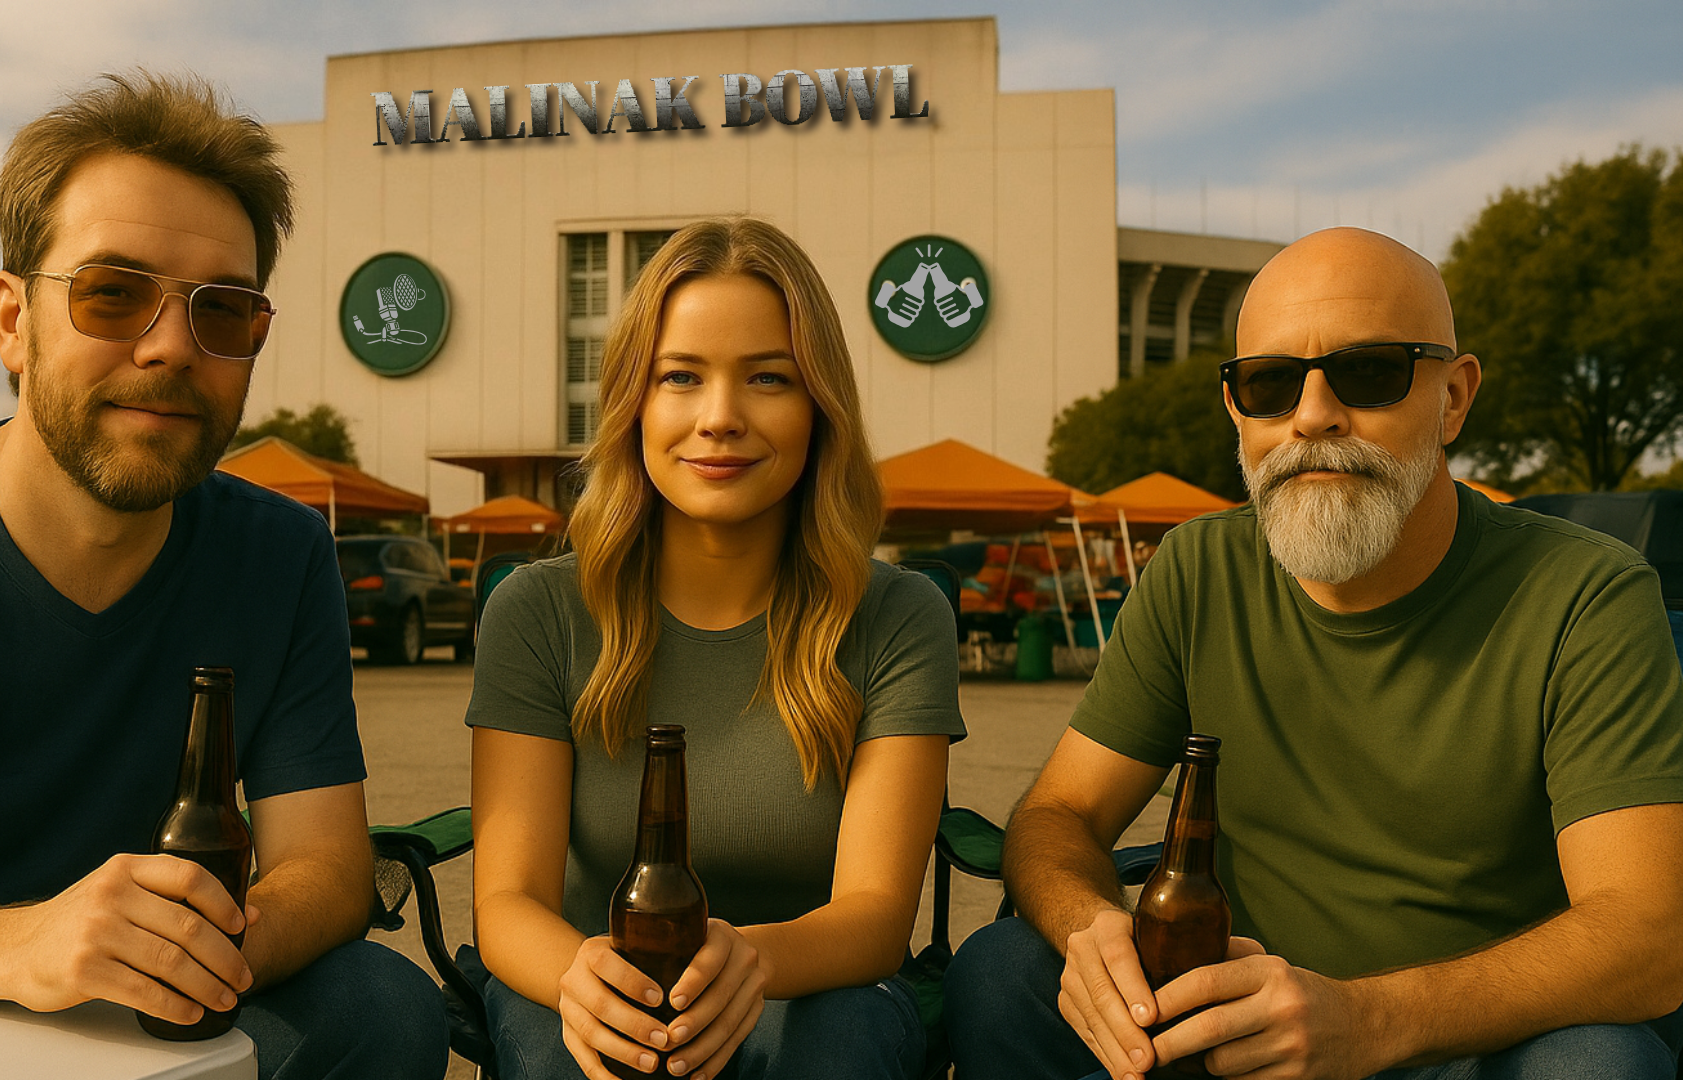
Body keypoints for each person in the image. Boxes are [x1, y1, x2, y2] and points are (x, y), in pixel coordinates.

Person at [0, 71, 449, 1077]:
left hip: (155, 1024)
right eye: (113, 294)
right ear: (11, 321)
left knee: (379, 1007)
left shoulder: (278, 553)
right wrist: (13, 948)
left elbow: (330, 871)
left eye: (223, 312)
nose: (173, 347)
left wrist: (183, 956)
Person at [945, 227, 1683, 1080]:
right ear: (1237, 409)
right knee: (1002, 973)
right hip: (1229, 1022)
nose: (1312, 414)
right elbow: (1060, 814)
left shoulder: (1586, 594)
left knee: (1599, 1063)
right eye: (1269, 383)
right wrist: (1090, 933)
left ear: (1453, 397)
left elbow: (1648, 935)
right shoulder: (1198, 568)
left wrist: (1368, 1021)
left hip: (1465, 1043)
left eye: (1370, 372)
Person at [465, 216, 965, 1080]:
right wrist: (579, 977)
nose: (721, 418)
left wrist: (749, 962)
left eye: (769, 377)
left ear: (819, 407)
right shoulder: (537, 610)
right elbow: (508, 902)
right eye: (681, 377)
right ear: (634, 403)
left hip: (817, 987)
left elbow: (879, 913)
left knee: (836, 1043)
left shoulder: (899, 614)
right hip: (590, 975)